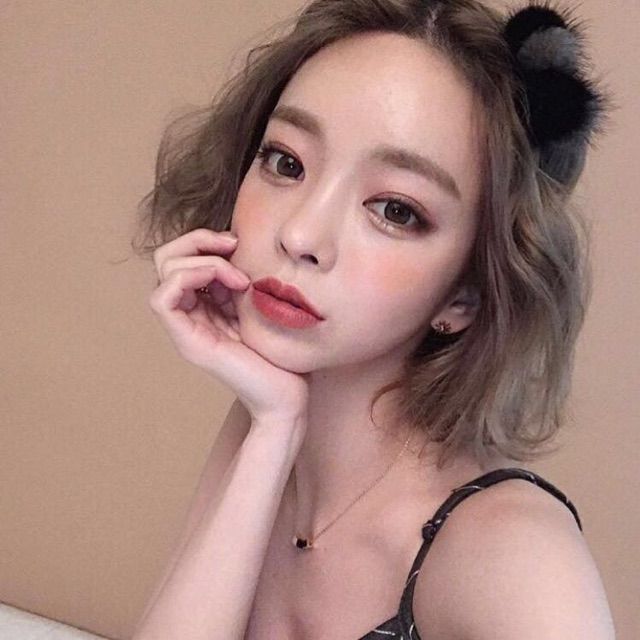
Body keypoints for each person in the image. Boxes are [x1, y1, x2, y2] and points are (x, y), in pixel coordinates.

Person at [131, 0, 616, 638]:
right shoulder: (266, 422)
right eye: (286, 162)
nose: (301, 235)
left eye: (395, 210)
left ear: (465, 294)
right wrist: (273, 429)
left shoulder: (517, 560)